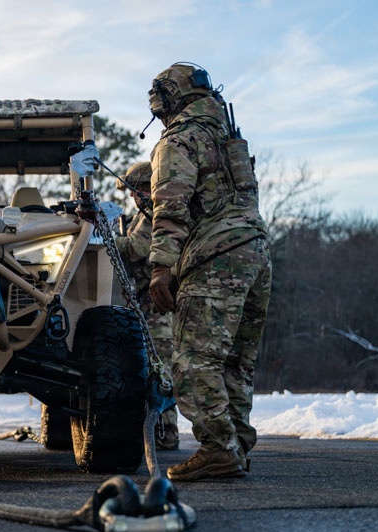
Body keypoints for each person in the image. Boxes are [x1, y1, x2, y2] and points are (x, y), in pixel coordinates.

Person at [145, 63, 272, 481]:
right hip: (255, 253)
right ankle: (235, 443)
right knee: (236, 360)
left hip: (215, 259)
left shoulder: (179, 140)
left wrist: (161, 267)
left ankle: (219, 447)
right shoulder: (227, 136)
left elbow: (170, 208)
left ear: (168, 99)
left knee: (193, 360)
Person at [114, 162, 179, 450]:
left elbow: (135, 249)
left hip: (157, 308)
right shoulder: (148, 214)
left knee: (159, 370)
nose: (132, 197)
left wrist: (104, 239)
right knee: (153, 368)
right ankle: (160, 434)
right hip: (147, 303)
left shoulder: (153, 214)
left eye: (135, 191)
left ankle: (166, 433)